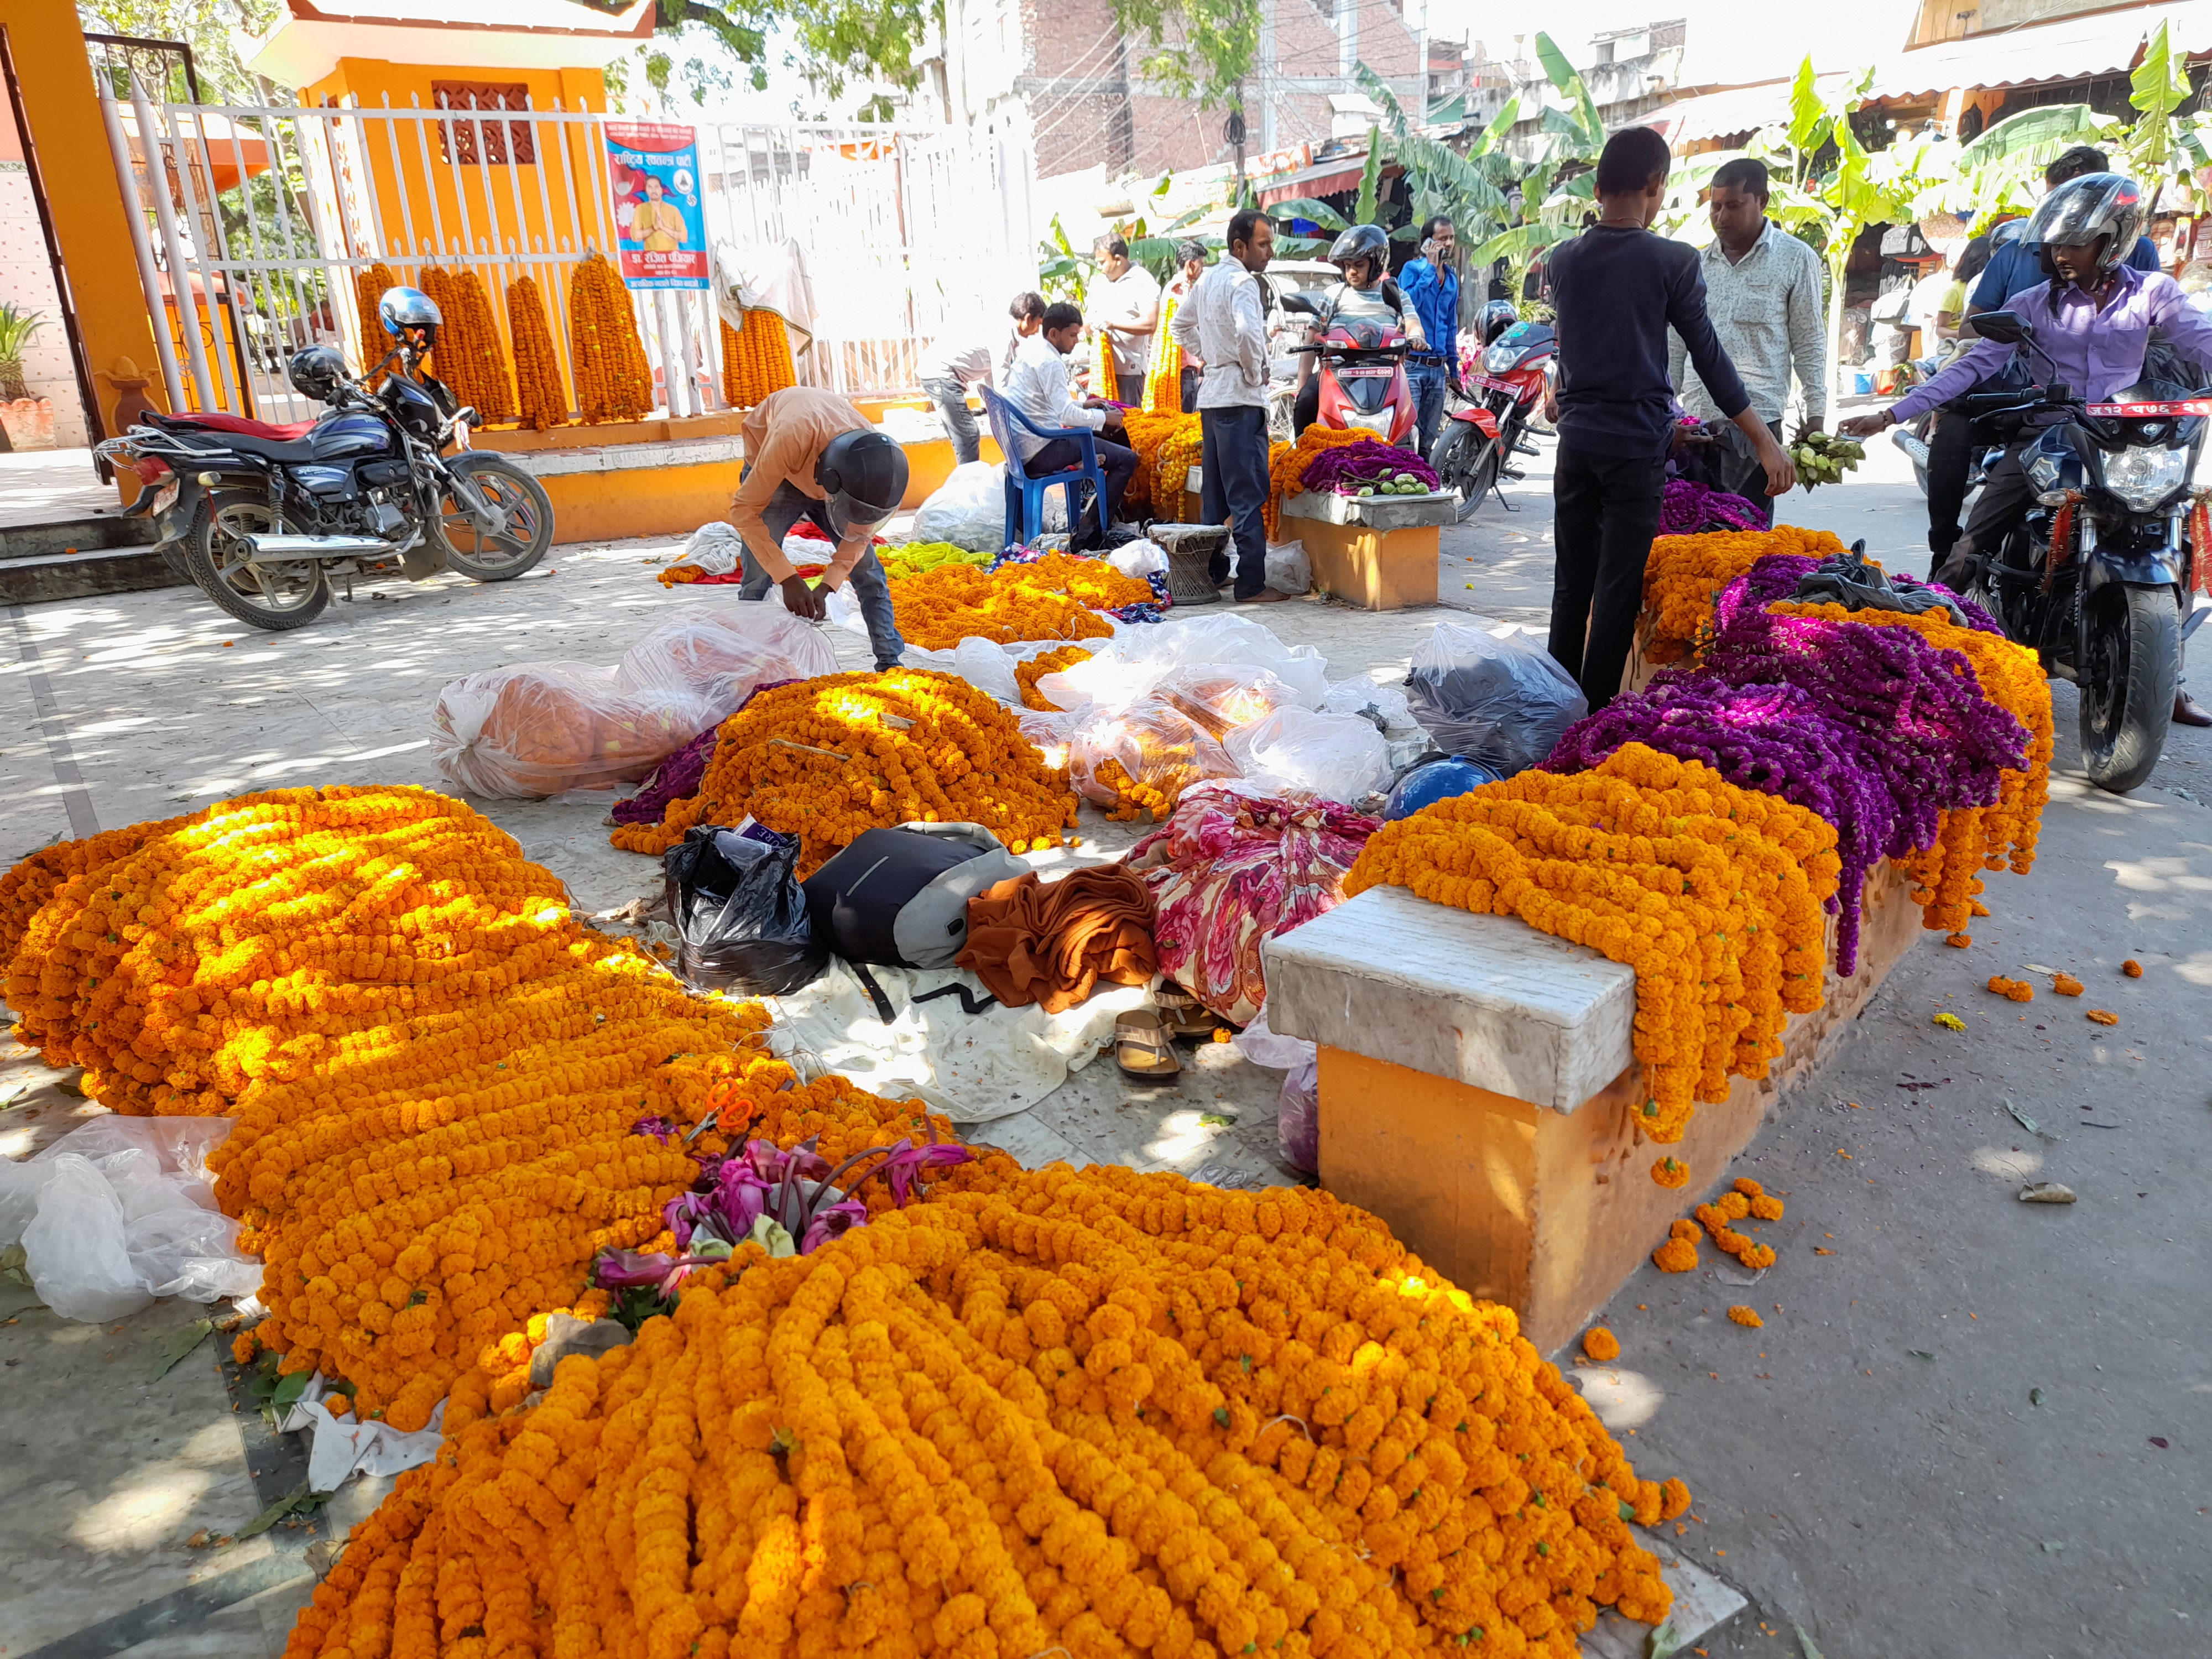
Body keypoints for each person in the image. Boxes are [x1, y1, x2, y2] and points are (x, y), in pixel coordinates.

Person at [1839, 171, 2212, 726]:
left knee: (2175, 533)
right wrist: (1893, 411)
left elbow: (2198, 339)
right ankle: (1916, 650)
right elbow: (1973, 365)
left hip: (2123, 436)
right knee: (1973, 541)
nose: (2061, 255)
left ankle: (2166, 679)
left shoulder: (2153, 293)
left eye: (2074, 243)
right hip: (2047, 435)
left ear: (2112, 241)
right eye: (2056, 244)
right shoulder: (2033, 302)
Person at [1545, 126, 1794, 710]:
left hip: (1576, 443)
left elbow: (1576, 342)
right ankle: (1593, 717)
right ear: (1655, 186)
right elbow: (1707, 355)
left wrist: (1564, 391)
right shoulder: (1673, 260)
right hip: (1633, 448)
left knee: (1570, 584)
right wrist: (1764, 442)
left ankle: (1553, 709)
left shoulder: (1563, 258)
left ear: (1600, 186)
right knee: (1615, 590)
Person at [1665, 157, 1825, 529]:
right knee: (1688, 539)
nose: (1721, 217)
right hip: (1696, 427)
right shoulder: (1695, 264)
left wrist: (1815, 415)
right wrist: (1667, 413)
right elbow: (1674, 347)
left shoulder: (1796, 259)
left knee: (1745, 538)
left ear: (1762, 201)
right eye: (1715, 206)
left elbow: (1809, 340)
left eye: (1733, 206)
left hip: (1758, 430)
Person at [729, 386, 909, 670]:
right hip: (780, 469)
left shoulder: (873, 460)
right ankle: (748, 665)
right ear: (830, 482)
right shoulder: (789, 439)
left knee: (868, 571)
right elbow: (743, 512)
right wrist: (788, 578)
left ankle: (890, 661)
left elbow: (859, 535)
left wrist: (828, 586)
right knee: (758, 574)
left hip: (833, 473)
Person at [1173, 207, 1287, 604]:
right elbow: (1248, 335)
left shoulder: (1208, 280)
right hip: (1239, 397)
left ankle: (1211, 575)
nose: (1269, 251)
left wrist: (1208, 355)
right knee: (1247, 494)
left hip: (1213, 398)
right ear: (1239, 246)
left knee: (1216, 495)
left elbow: (1180, 325)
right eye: (1263, 243)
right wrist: (1254, 372)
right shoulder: (1242, 283)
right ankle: (1251, 583)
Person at [1969, 147, 2161, 319]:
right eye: (2053, 200)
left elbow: (2155, 322)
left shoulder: (2140, 251)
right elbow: (1970, 327)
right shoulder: (2014, 254)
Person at [1004, 300, 1140, 545]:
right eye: (1073, 335)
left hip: (1024, 447)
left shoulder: (1033, 351)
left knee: (1096, 439)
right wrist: (1104, 418)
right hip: (1042, 448)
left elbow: (1052, 405)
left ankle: (1091, 515)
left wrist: (1084, 406)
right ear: (1054, 333)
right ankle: (1092, 532)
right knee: (1127, 458)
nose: (1077, 340)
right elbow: (1066, 416)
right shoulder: (1050, 361)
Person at [1291, 223, 1427, 438]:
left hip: (1386, 375)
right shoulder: (1333, 295)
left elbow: (1412, 323)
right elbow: (1312, 335)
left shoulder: (1394, 294)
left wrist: (1417, 336)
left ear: (1376, 264)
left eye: (1359, 265)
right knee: (1306, 401)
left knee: (1411, 428)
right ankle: (1303, 460)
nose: (1352, 271)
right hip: (1337, 373)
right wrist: (1302, 385)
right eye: (1347, 266)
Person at [918, 293, 1044, 466]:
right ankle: (968, 487)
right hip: (940, 374)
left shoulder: (1004, 332)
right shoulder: (1003, 335)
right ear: (1028, 319)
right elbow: (1002, 385)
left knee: (962, 436)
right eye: (1038, 324)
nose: (1037, 331)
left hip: (939, 374)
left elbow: (992, 379)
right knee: (967, 435)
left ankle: (965, 482)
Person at [1399, 215, 1462, 456]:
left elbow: (1450, 326)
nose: (1448, 243)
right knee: (1407, 432)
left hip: (1437, 370)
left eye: (1451, 238)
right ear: (1427, 243)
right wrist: (1430, 268)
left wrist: (1454, 370)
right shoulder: (1412, 270)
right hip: (1413, 365)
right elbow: (1407, 304)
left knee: (1429, 436)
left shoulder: (1453, 279)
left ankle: (1425, 485)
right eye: (1442, 238)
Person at [1092, 237, 1161, 406]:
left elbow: (1151, 324)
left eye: (1102, 262)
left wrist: (1113, 325)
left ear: (1118, 259)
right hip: (1101, 370)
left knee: (1127, 425)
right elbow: (1088, 321)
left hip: (1129, 372)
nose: (1099, 268)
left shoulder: (1142, 280)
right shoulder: (1098, 283)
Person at [1161, 241, 1208, 413]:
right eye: (1201, 264)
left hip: (1186, 365)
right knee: (1186, 415)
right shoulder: (1178, 290)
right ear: (1190, 265)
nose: (1202, 269)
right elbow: (1183, 325)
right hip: (1182, 366)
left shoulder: (1184, 288)